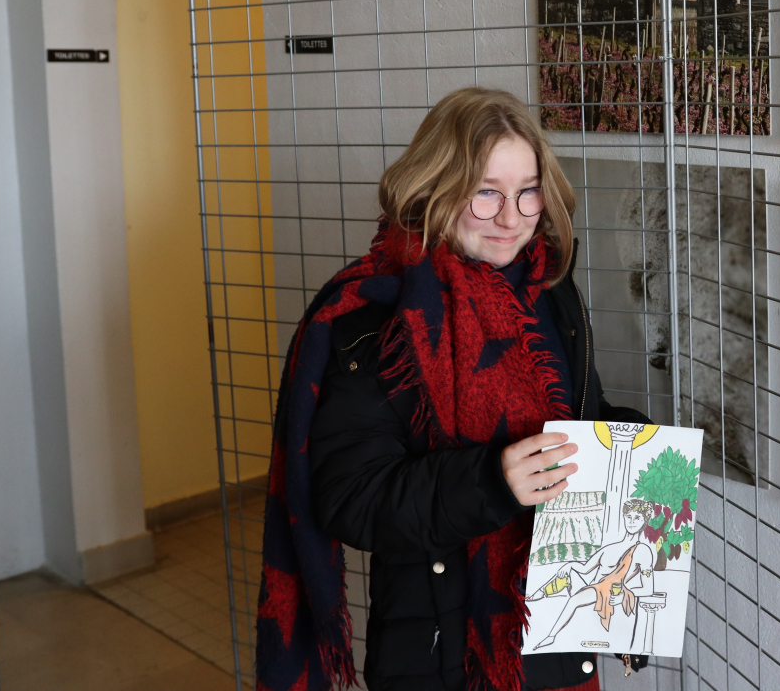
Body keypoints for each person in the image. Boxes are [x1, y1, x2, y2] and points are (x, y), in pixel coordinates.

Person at [254, 87, 650, 691]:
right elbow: (351, 499)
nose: (512, 217)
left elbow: (574, 421)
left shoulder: (551, 295)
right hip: (440, 657)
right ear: (435, 187)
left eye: (528, 191)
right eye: (486, 192)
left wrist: (626, 444)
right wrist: (493, 481)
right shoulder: (377, 321)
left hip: (559, 640)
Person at [526, 498, 654, 651]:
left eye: (637, 518)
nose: (632, 521)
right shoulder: (610, 547)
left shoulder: (643, 551)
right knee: (568, 572)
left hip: (608, 592)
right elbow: (585, 569)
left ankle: (551, 636)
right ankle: (536, 595)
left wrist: (625, 595)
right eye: (629, 517)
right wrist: (569, 564)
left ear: (644, 521)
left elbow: (648, 589)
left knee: (574, 600)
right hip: (592, 588)